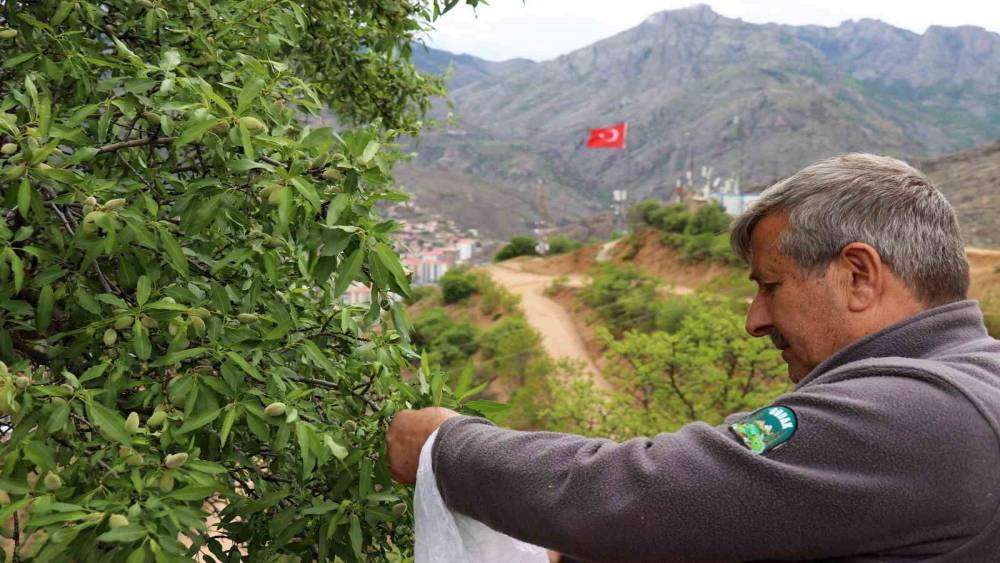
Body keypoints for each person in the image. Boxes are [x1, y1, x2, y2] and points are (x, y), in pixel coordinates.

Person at [387, 154, 1000, 562]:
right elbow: (745, 524)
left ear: (858, 275)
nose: (755, 320)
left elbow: (649, 492)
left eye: (771, 286)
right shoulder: (968, 381)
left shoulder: (918, 412)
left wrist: (450, 447)